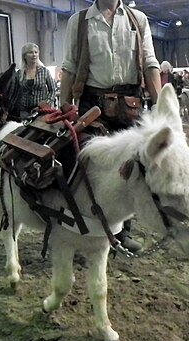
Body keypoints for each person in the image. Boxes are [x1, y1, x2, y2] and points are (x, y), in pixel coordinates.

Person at [60, 0, 161, 253]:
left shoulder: (138, 20)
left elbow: (150, 63)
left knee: (132, 168)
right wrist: (64, 103)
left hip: (130, 104)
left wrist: (160, 106)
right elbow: (70, 64)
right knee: (89, 165)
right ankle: (85, 230)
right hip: (92, 104)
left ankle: (122, 232)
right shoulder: (79, 21)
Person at [17, 43, 56, 116]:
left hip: (41, 110)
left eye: (36, 52)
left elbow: (53, 90)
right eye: (31, 52)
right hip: (24, 110)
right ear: (25, 56)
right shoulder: (19, 73)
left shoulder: (44, 71)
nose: (34, 55)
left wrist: (47, 103)